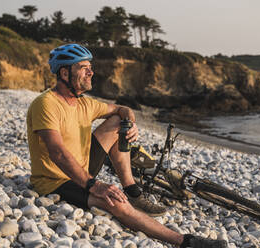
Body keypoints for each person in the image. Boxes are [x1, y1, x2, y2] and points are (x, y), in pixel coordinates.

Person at [26, 43, 227, 248]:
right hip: (55, 180)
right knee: (115, 203)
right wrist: (95, 185)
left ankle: (132, 191)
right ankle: (185, 241)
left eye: (90, 67)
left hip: (81, 170)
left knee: (117, 122)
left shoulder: (84, 103)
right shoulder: (46, 103)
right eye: (83, 67)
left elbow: (123, 109)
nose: (91, 72)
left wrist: (130, 125)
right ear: (65, 73)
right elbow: (57, 153)